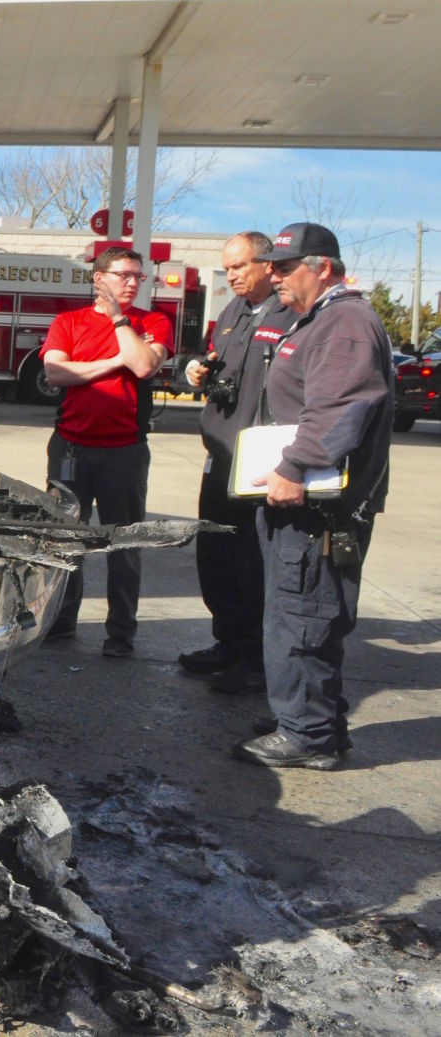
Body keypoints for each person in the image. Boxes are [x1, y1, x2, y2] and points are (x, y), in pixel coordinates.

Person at [233, 223, 393, 770]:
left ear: (322, 266)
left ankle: (307, 736)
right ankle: (306, 714)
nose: (273, 275)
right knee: (299, 608)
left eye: (284, 266)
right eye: (272, 265)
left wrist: (295, 466)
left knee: (304, 612)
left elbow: (340, 408)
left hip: (318, 506)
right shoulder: (322, 317)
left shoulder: (345, 322)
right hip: (306, 501)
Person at [177, 232, 298, 695]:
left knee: (253, 561)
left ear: (268, 264)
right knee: (216, 553)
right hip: (222, 453)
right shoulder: (232, 312)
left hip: (263, 458)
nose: (231, 277)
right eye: (226, 269)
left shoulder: (292, 313)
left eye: (239, 267)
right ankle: (226, 642)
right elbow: (215, 364)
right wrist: (194, 370)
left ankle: (254, 659)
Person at [40, 244, 172, 658]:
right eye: (123, 275)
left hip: (124, 452)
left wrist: (118, 321)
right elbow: (55, 372)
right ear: (98, 278)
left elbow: (145, 367)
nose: (132, 282)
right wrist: (117, 360)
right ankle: (61, 622)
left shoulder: (153, 321)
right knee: (65, 538)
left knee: (124, 545)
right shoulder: (69, 322)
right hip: (71, 448)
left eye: (138, 275)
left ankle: (120, 634)